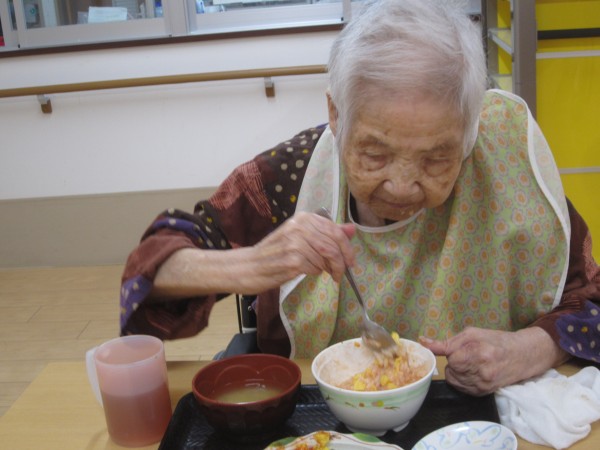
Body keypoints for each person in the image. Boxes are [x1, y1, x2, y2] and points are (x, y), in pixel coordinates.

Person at [120, 0, 600, 396]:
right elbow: (150, 269)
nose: (402, 186)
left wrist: (531, 348)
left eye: (437, 159)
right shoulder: (292, 176)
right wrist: (252, 264)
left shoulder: (506, 164)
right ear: (336, 114)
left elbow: (591, 300)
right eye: (374, 154)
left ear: (471, 127)